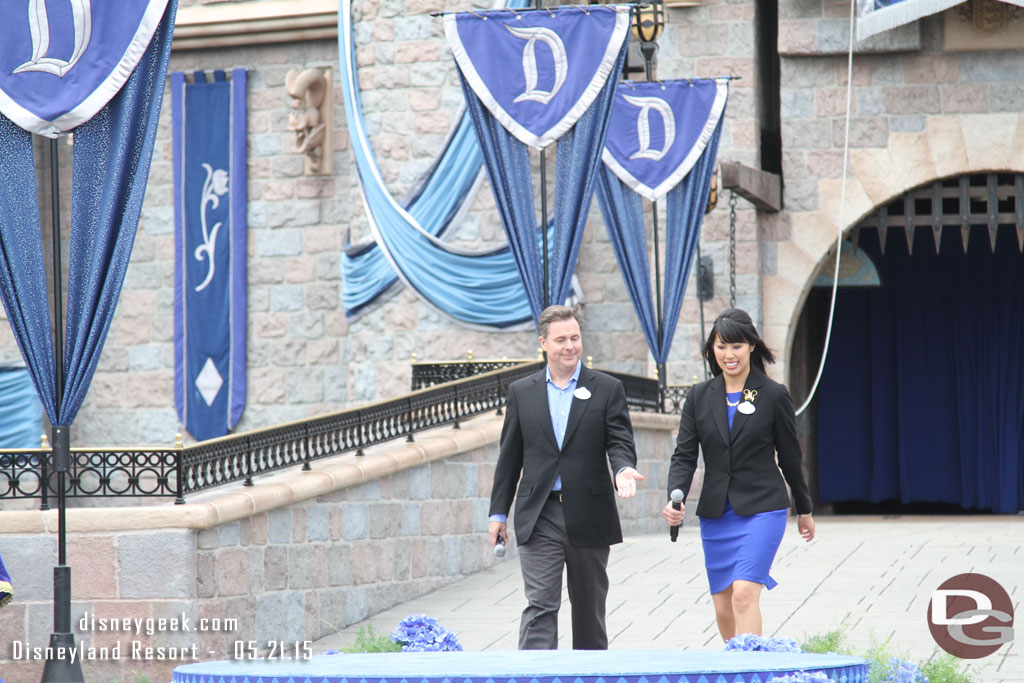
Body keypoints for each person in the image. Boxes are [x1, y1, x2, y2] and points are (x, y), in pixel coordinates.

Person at [489, 304, 644, 650]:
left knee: (589, 610)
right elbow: (509, 457)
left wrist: (622, 469)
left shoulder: (606, 388)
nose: (570, 346)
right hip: (539, 513)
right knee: (541, 605)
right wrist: (498, 513)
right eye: (561, 340)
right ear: (543, 343)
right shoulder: (521, 392)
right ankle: (535, 677)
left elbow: (619, 440)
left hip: (589, 512)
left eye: (575, 337)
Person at [662, 308, 814, 641]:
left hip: (762, 506)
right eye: (721, 347)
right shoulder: (699, 397)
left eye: (736, 346)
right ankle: (735, 669)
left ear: (751, 347)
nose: (729, 355)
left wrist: (804, 508)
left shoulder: (773, 395)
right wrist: (675, 496)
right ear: (711, 351)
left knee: (744, 592)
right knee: (723, 606)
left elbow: (791, 456)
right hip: (717, 512)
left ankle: (752, 672)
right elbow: (684, 455)